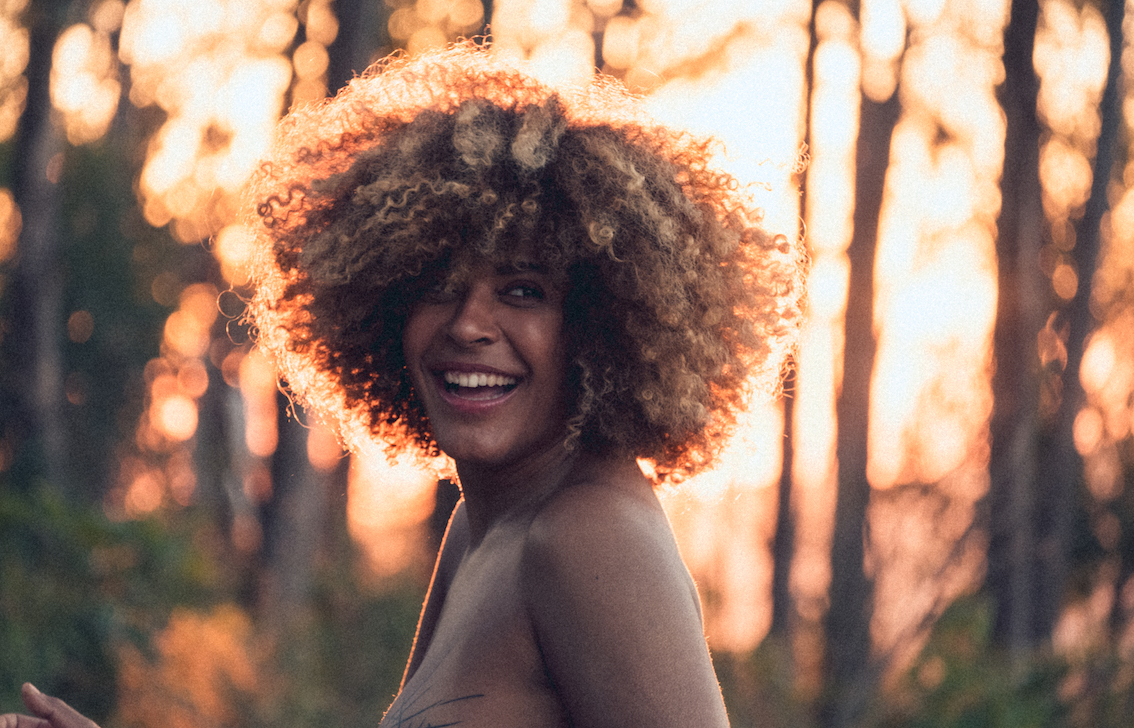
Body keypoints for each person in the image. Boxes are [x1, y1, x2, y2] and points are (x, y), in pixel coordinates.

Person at [3, 42, 804, 728]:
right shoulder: (481, 528)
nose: (468, 324)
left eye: (523, 289)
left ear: (596, 325)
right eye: (435, 285)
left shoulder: (588, 536)